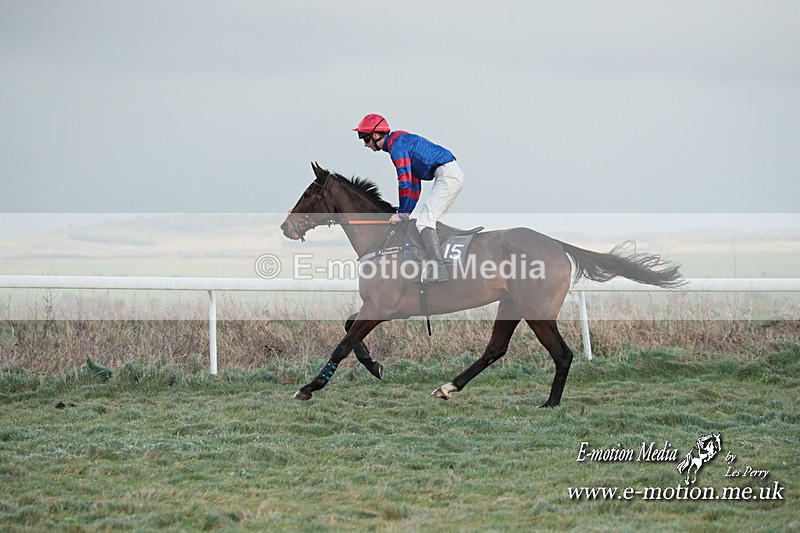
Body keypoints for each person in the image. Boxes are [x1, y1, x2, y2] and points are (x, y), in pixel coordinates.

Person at [353, 113, 464, 283]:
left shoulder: (397, 147)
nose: (365, 145)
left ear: (375, 135)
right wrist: (405, 212)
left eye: (365, 139)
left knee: (424, 223)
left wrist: (403, 213)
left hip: (447, 175)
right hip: (447, 173)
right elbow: (414, 184)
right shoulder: (397, 142)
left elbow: (404, 181)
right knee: (429, 223)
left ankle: (439, 269)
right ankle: (440, 262)